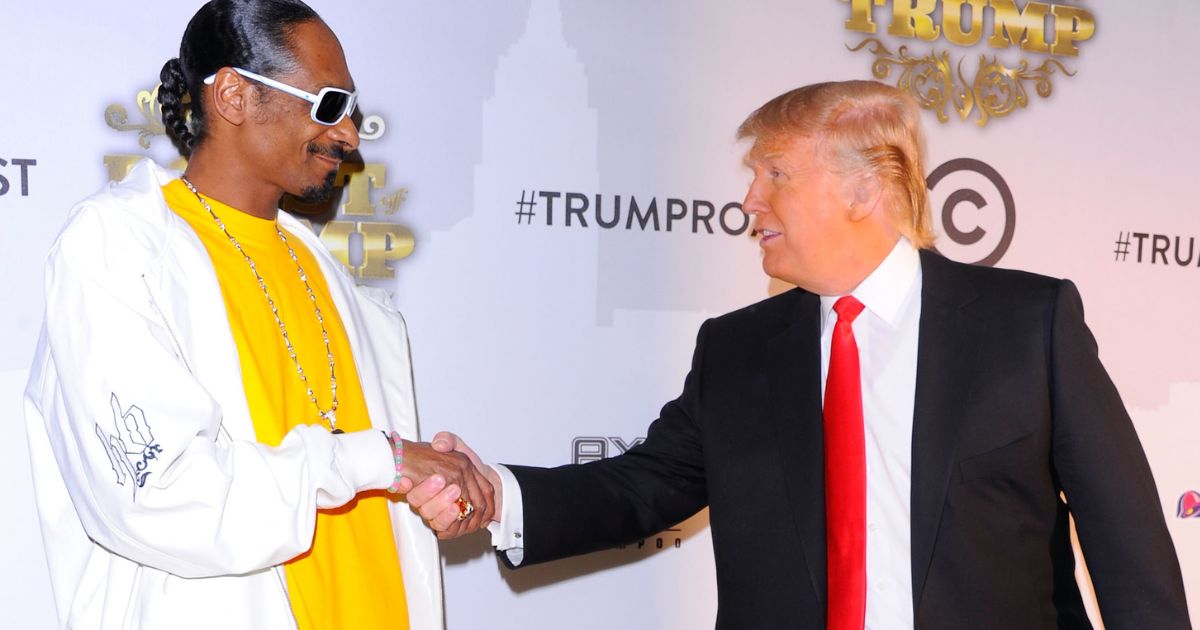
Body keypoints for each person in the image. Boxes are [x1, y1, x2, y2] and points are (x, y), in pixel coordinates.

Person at [408, 80, 1191, 629]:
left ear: (865, 189)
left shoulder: (1027, 323)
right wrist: (495, 494)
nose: (749, 200)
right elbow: (640, 489)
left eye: (775, 173)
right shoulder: (737, 351)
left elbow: (1129, 550)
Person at [23, 1, 491, 629]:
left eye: (353, 109)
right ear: (235, 96)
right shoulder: (117, 249)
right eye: (328, 104)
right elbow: (163, 497)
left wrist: (432, 489)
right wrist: (386, 459)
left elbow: (376, 498)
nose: (350, 134)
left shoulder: (338, 285)